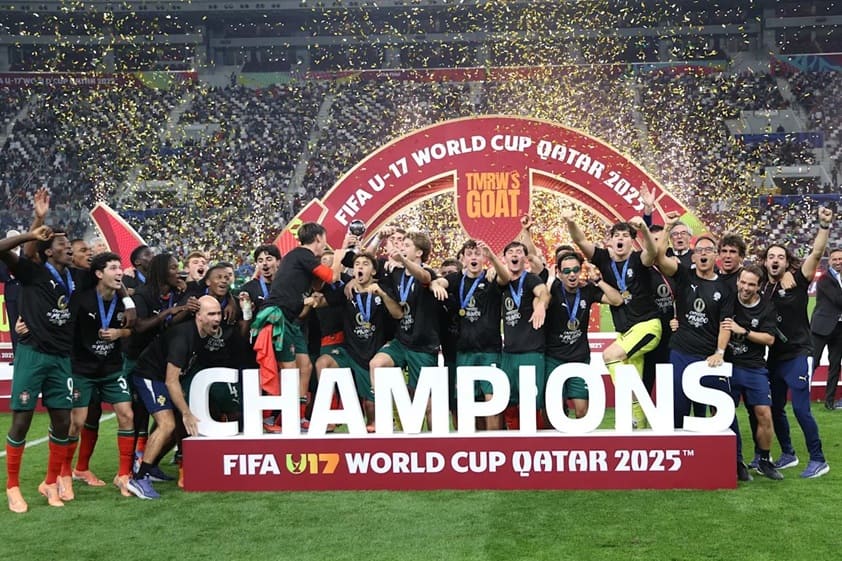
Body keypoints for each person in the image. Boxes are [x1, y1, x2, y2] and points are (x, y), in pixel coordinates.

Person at [562, 210, 661, 428]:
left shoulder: (638, 259)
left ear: (632, 241)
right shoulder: (603, 258)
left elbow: (652, 252)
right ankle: (639, 429)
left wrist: (644, 229)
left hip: (647, 326)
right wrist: (570, 221)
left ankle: (634, 400)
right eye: (616, 235)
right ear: (610, 241)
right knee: (633, 385)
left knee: (609, 355)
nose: (620, 239)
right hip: (625, 333)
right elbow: (580, 240)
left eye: (625, 235)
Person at [1, 225, 76, 512]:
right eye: (62, 244)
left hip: (61, 358)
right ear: (48, 251)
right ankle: (12, 487)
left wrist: (127, 298)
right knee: (22, 421)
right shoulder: (32, 272)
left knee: (62, 422)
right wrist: (31, 235)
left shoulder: (74, 276)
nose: (68, 247)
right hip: (32, 354)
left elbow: (106, 274)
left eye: (69, 243)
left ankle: (50, 482)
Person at [761, 207, 832, 479]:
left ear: (786, 261)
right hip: (775, 357)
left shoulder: (798, 280)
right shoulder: (762, 288)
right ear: (765, 262)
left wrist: (823, 226)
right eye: (771, 256)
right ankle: (788, 454)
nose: (775, 260)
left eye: (780, 256)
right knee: (775, 408)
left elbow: (816, 253)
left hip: (800, 353)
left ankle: (818, 459)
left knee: (801, 409)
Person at [129, 296, 224, 499]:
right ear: (199, 316)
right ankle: (139, 477)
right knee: (168, 425)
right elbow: (171, 380)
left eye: (219, 313)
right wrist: (186, 413)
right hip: (149, 376)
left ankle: (151, 466)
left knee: (175, 425)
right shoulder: (183, 338)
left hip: (164, 378)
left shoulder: (204, 334)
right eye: (211, 314)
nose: (217, 318)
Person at [649, 214, 733, 430]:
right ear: (693, 257)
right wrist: (668, 227)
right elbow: (659, 257)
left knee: (720, 412)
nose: (703, 254)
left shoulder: (724, 288)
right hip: (681, 352)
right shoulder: (684, 275)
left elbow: (725, 324)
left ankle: (731, 451)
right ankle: (677, 448)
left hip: (708, 356)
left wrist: (720, 352)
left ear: (716, 256)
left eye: (708, 250)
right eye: (699, 250)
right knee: (678, 409)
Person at [64, 252, 135, 498]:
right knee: (77, 422)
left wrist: (119, 334)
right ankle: (65, 474)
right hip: (82, 370)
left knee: (127, 415)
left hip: (111, 369)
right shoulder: (82, 300)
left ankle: (123, 475)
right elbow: (66, 330)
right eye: (113, 268)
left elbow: (133, 329)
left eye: (120, 268)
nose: (119, 272)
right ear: (98, 274)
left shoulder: (124, 302)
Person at [257, 222, 334, 431]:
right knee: (289, 371)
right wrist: (340, 255)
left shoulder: (302, 259)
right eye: (324, 240)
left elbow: (318, 285)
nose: (325, 245)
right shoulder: (302, 254)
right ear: (318, 238)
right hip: (277, 317)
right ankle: (274, 418)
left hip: (291, 321)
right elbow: (331, 277)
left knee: (305, 366)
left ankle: (298, 418)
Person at [318, 250, 402, 431]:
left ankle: (384, 423)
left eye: (365, 264)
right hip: (350, 352)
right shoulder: (347, 290)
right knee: (323, 363)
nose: (360, 267)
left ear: (374, 271)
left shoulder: (383, 287)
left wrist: (382, 294)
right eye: (357, 264)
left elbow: (397, 314)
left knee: (372, 414)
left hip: (373, 352)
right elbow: (323, 299)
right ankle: (328, 413)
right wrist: (312, 299)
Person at [431, 239, 510, 429]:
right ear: (463, 259)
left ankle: (494, 440)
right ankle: (473, 443)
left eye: (478, 254)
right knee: (467, 403)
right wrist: (436, 285)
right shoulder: (456, 279)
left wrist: (493, 258)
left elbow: (506, 278)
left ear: (484, 258)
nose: (473, 257)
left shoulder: (490, 277)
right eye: (469, 254)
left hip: (489, 349)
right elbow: (439, 281)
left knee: (492, 401)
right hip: (464, 350)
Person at [369, 231, 441, 430]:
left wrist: (402, 260)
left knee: (427, 404)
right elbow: (367, 266)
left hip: (423, 345)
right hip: (402, 341)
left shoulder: (427, 272)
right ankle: (386, 416)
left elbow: (424, 277)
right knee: (377, 363)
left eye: (407, 245)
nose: (402, 247)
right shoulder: (395, 273)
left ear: (419, 253)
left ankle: (437, 440)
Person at [721, 265, 783, 481]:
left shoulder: (767, 306)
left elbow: (770, 339)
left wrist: (744, 331)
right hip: (727, 365)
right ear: (738, 281)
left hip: (754, 367)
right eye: (743, 282)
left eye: (751, 284)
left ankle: (764, 460)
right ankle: (735, 462)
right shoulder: (728, 299)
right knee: (724, 414)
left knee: (764, 414)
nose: (746, 288)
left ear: (759, 287)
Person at [545, 252, 622, 419]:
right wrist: (550, 279)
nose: (572, 274)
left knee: (582, 411)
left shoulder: (587, 290)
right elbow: (542, 304)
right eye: (566, 271)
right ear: (559, 273)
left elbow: (617, 300)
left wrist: (598, 281)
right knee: (554, 410)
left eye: (575, 270)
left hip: (579, 358)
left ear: (580, 271)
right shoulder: (553, 289)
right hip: (553, 358)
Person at [498, 240, 549, 429]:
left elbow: (543, 292)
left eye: (519, 252)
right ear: (504, 258)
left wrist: (541, 305)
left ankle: (535, 442)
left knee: (531, 404)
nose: (515, 254)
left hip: (531, 352)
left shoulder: (530, 279)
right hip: (508, 353)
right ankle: (513, 440)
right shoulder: (501, 283)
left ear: (524, 259)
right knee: (508, 402)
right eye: (510, 252)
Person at [810, 248, 842, 410]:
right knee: (812, 362)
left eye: (840, 259)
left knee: (835, 365)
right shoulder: (824, 278)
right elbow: (837, 300)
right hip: (822, 327)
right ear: (829, 261)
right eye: (834, 259)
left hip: (839, 327)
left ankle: (829, 402)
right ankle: (801, 396)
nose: (838, 262)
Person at [238, 244, 281, 314]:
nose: (264, 263)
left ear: (278, 262)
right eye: (260, 261)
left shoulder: (288, 285)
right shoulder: (248, 289)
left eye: (269, 259)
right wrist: (247, 311)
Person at [0, 229, 22, 359]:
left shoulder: (27, 254)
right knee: (14, 325)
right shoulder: (2, 256)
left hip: (26, 294)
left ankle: (28, 355)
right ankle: (16, 356)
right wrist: (9, 277)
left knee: (29, 324)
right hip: (11, 294)